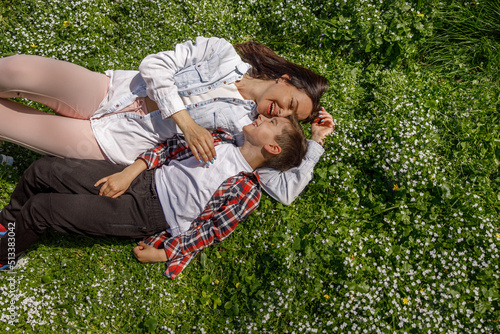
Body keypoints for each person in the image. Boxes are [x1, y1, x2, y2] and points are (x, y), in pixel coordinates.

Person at [0, 36, 334, 205]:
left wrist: (316, 141)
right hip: (111, 91)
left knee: (6, 122)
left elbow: (283, 189)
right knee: (16, 69)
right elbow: (155, 65)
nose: (283, 113)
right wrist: (186, 123)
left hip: (112, 141)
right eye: (291, 103)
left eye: (292, 118)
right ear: (285, 79)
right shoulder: (221, 53)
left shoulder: (247, 132)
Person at [0, 115, 307, 278]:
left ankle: (5, 254)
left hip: (145, 214)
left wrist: (165, 252)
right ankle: (7, 224)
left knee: (42, 210)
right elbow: (170, 148)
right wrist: (128, 173)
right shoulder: (221, 138)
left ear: (273, 149)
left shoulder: (246, 191)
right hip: (142, 178)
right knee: (42, 170)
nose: (263, 118)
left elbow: (210, 232)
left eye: (272, 124)